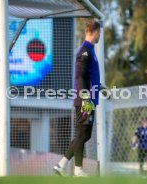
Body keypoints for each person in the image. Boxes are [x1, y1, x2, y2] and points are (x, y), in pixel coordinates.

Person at [53, 20, 101, 177]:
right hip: (84, 100)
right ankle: (78, 169)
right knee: (82, 133)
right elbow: (79, 75)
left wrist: (101, 88)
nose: (100, 35)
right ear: (95, 32)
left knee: (86, 134)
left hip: (90, 100)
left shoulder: (91, 51)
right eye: (99, 32)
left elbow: (89, 76)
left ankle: (61, 165)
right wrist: (85, 97)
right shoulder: (85, 51)